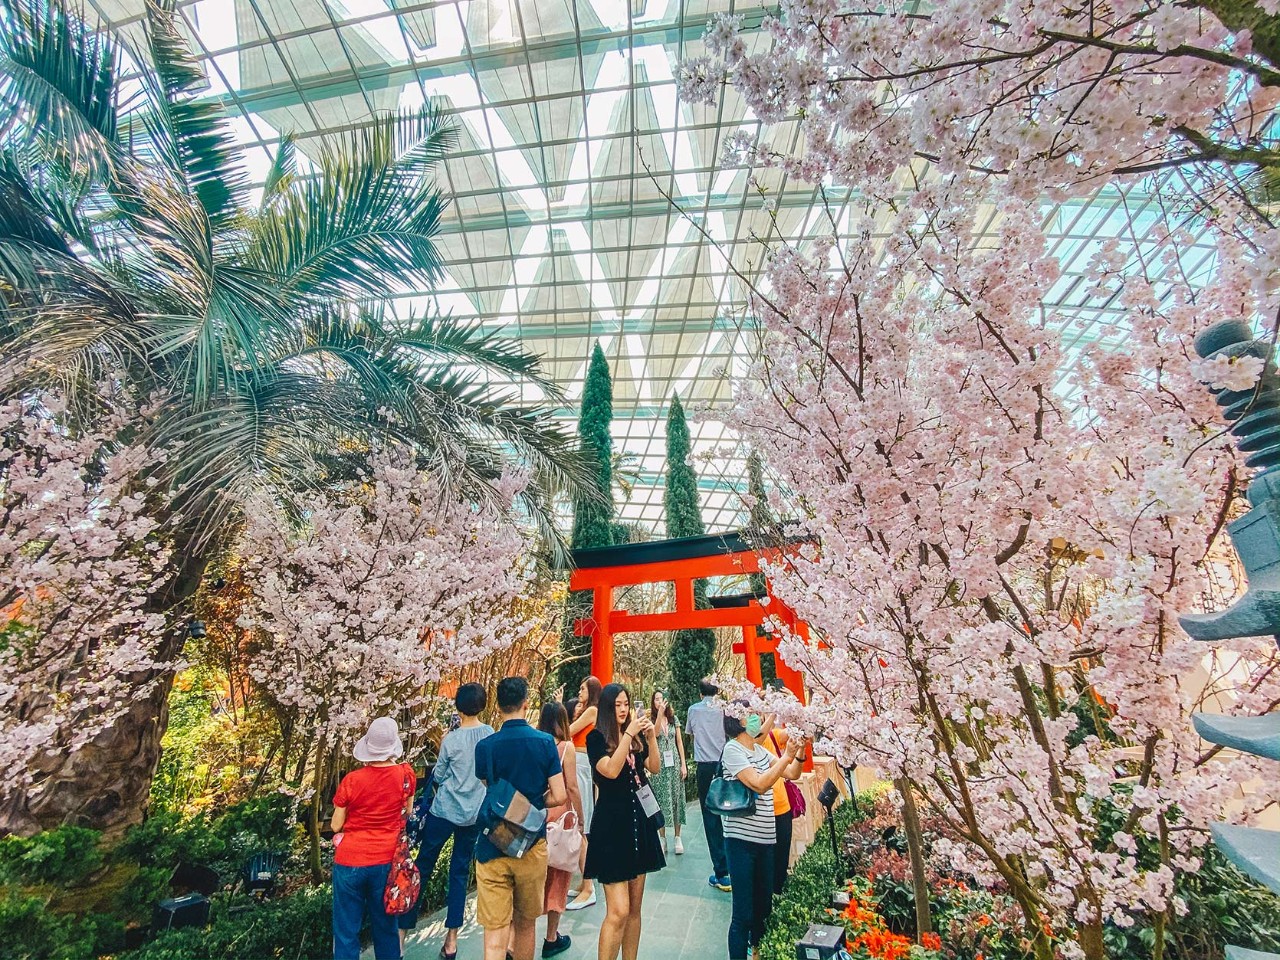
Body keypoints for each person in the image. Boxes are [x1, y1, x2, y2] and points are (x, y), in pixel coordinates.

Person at [474, 677, 568, 960]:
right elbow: (560, 794)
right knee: (526, 924)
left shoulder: (485, 747)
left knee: (495, 930)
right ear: (526, 703)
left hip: (493, 845)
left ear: (498, 705)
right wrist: (536, 805)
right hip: (531, 844)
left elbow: (489, 789)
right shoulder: (544, 743)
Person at [398, 683, 493, 960]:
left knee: (423, 867)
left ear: (457, 707)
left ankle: (401, 937)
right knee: (460, 873)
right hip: (474, 814)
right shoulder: (488, 735)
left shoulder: (451, 740)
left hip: (445, 811)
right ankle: (451, 940)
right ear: (483, 705)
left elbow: (438, 776)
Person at [584, 683, 666, 960]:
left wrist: (650, 737)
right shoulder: (596, 738)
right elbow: (609, 770)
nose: (623, 709)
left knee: (633, 909)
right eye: (617, 705)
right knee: (617, 910)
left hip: (638, 825)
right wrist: (627, 735)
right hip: (611, 828)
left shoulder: (637, 738)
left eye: (626, 704)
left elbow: (653, 767)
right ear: (607, 708)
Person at [719, 708, 805, 960]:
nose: (756, 717)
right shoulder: (733, 750)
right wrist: (785, 756)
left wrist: (798, 752)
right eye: (750, 714)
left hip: (766, 839)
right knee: (743, 913)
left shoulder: (759, 750)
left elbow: (792, 774)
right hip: (741, 841)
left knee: (763, 908)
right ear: (738, 720)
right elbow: (759, 783)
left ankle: (757, 952)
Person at [331, 717, 416, 960]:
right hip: (386, 862)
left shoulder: (352, 780)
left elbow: (336, 825)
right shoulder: (405, 775)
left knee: (346, 931)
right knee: (386, 928)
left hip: (350, 860)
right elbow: (408, 812)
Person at [537, 702, 579, 958]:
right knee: (558, 878)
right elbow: (572, 786)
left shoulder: (536, 744)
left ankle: (515, 939)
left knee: (533, 879)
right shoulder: (566, 748)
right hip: (560, 817)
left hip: (538, 817)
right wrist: (582, 818)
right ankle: (551, 937)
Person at [685, 678, 730, 890]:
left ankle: (721, 873)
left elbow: (690, 733)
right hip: (725, 764)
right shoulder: (724, 709)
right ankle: (734, 866)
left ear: (700, 693)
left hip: (704, 768)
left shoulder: (694, 710)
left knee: (710, 817)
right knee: (730, 813)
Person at [566, 675, 602, 911]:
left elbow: (569, 730)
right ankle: (584, 882)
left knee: (581, 824)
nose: (579, 692)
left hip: (581, 762)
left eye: (582, 688)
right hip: (577, 761)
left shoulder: (592, 711)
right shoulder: (586, 710)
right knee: (580, 823)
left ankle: (589, 886)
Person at [758, 718, 803, 894]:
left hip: (782, 807)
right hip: (762, 812)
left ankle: (779, 897)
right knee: (765, 863)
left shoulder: (773, 735)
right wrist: (771, 712)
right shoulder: (745, 746)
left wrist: (796, 712)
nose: (756, 717)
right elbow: (758, 737)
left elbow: (793, 772)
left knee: (781, 860)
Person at [647, 689, 688, 855]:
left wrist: (683, 765)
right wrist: (659, 716)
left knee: (677, 798)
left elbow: (679, 741)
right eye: (656, 699)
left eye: (661, 699)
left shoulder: (673, 719)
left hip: (674, 763)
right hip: (659, 764)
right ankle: (662, 837)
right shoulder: (650, 720)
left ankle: (677, 837)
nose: (659, 702)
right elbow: (655, 734)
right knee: (661, 799)